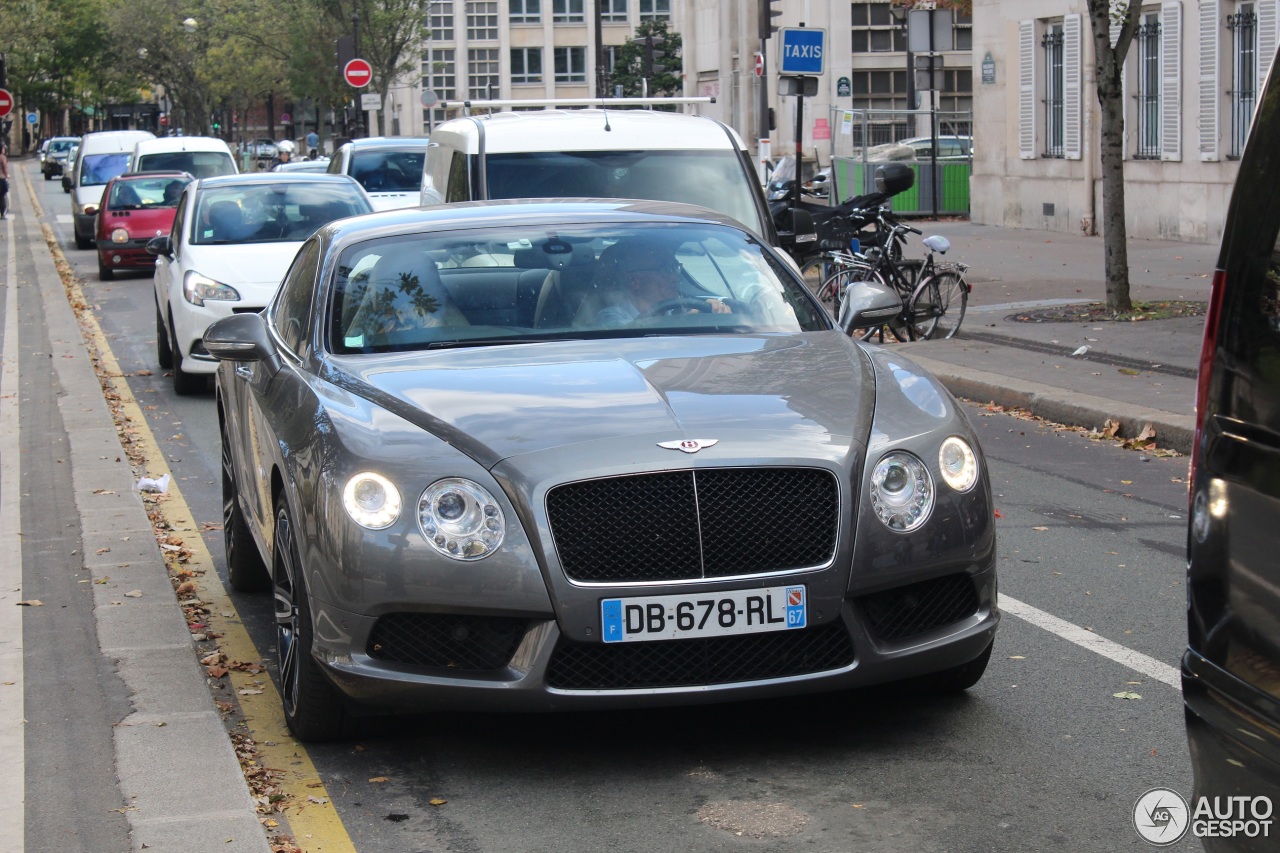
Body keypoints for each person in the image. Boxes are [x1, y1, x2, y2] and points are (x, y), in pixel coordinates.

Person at [594, 241, 731, 327]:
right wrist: (688, 322)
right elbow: (630, 333)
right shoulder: (610, 317)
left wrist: (717, 310)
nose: (675, 277)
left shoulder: (676, 309)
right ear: (634, 281)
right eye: (665, 269)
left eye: (675, 268)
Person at [0, 143, 9, 219]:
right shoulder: (2, 157)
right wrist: (7, 175)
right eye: (3, 148)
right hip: (1, 179)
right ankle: (2, 214)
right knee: (2, 196)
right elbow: (5, 168)